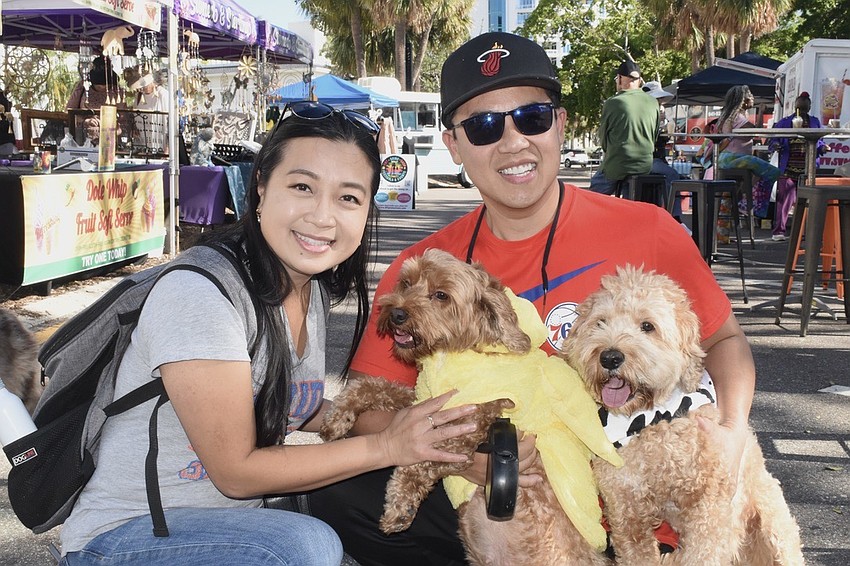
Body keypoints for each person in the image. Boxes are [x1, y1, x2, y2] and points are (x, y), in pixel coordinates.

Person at [309, 32, 757, 566]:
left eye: (532, 117)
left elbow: (725, 337)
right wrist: (462, 455)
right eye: (483, 126)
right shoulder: (424, 270)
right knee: (342, 496)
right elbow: (368, 408)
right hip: (496, 496)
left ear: (560, 124)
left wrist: (729, 433)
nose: (513, 141)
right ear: (453, 146)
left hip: (636, 501)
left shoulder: (649, 230)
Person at [58, 103, 480, 565]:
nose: (323, 217)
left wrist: (415, 423)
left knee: (356, 499)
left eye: (348, 198)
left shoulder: (309, 289)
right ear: (260, 189)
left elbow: (298, 406)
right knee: (306, 545)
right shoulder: (199, 295)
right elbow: (236, 474)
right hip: (127, 538)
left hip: (233, 527)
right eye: (302, 187)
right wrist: (386, 444)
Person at [589, 59, 658, 195]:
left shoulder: (613, 102)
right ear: (639, 80)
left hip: (618, 164)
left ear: (620, 79)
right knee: (631, 197)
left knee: (594, 193)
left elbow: (603, 139)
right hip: (643, 166)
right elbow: (654, 136)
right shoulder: (653, 102)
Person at [768, 92, 829, 241]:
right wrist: (776, 146)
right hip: (788, 167)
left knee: (809, 202)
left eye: (805, 106)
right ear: (795, 105)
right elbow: (773, 140)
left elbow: (818, 142)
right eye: (800, 106)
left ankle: (808, 232)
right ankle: (779, 231)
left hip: (808, 169)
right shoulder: (785, 122)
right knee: (784, 201)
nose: (802, 109)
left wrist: (822, 148)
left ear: (809, 107)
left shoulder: (815, 122)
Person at [716, 85, 781, 218]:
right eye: (751, 96)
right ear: (743, 100)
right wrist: (761, 112)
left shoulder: (728, 115)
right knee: (773, 172)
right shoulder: (737, 117)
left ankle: (722, 234)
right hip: (733, 159)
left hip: (726, 158)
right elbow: (755, 132)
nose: (753, 99)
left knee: (728, 196)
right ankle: (749, 203)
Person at [642, 80, 686, 219]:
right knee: (672, 175)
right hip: (646, 160)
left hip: (653, 159)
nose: (660, 104)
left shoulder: (656, 117)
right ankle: (675, 217)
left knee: (679, 176)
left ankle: (667, 214)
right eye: (657, 100)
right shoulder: (644, 116)